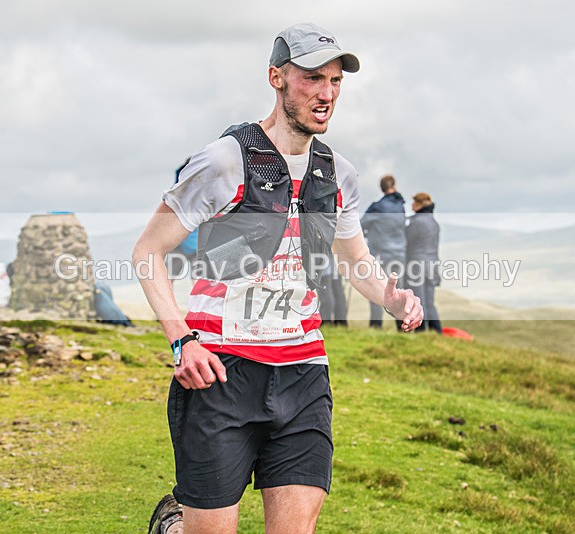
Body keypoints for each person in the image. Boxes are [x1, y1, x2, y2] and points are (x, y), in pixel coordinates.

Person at [134, 23, 423, 534]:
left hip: (303, 373)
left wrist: (392, 299)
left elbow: (355, 261)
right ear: (277, 78)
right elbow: (147, 250)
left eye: (335, 81)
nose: (326, 93)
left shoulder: (339, 174)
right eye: (313, 78)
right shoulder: (225, 161)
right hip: (222, 371)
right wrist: (182, 341)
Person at [360, 175, 407, 329]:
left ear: (382, 188)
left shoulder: (377, 207)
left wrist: (368, 233)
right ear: (394, 185)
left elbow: (362, 224)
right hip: (399, 254)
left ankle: (376, 325)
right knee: (398, 292)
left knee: (377, 288)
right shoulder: (401, 207)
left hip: (380, 254)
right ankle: (402, 326)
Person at [405, 192, 443, 334]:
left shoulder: (416, 222)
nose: (412, 205)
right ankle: (437, 332)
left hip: (417, 265)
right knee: (430, 302)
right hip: (432, 265)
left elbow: (408, 242)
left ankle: (420, 332)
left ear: (420, 204)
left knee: (418, 302)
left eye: (414, 202)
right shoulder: (434, 223)